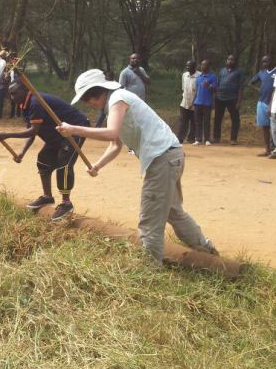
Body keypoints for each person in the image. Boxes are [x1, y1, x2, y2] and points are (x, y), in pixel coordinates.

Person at [58, 68, 219, 262]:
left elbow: (110, 133)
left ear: (93, 94)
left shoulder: (117, 99)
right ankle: (208, 252)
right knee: (173, 211)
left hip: (163, 158)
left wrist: (74, 129)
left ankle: (151, 269)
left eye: (86, 99)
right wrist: (97, 165)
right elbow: (115, 143)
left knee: (150, 220)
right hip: (170, 155)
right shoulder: (114, 103)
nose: (88, 104)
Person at [0, 81, 91, 222]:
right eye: (10, 94)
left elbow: (33, 130)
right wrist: (22, 153)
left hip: (75, 129)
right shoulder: (25, 105)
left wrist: (7, 135)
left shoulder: (35, 102)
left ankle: (66, 203)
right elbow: (32, 130)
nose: (12, 97)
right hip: (57, 135)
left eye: (15, 93)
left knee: (63, 165)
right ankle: (47, 197)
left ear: (25, 90)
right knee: (43, 160)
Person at [250, 55, 276, 156]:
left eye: (266, 61)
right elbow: (251, 83)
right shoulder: (261, 73)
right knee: (265, 127)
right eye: (263, 62)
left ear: (272, 61)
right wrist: (259, 90)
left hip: (275, 103)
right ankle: (267, 149)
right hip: (262, 102)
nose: (264, 64)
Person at [214, 54, 245, 144]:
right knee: (217, 118)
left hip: (233, 98)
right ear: (226, 60)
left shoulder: (239, 71)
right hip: (220, 98)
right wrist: (215, 96)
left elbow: (241, 87)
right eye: (228, 59)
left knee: (235, 119)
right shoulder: (222, 71)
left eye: (232, 60)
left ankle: (233, 139)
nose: (230, 61)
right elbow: (217, 84)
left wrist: (239, 102)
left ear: (235, 61)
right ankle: (216, 138)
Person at [192, 59, 217, 146]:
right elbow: (196, 90)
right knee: (198, 121)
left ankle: (207, 139)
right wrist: (193, 101)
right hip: (197, 102)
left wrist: (209, 86)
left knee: (206, 121)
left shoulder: (212, 77)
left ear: (208, 66)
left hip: (207, 103)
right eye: (202, 65)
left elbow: (215, 90)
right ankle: (198, 139)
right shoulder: (199, 77)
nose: (203, 66)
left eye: (205, 65)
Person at [177, 60, 199, 143]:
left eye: (190, 66)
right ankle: (180, 138)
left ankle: (191, 138)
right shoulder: (184, 75)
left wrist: (193, 103)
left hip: (195, 102)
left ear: (195, 67)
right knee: (183, 121)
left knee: (194, 121)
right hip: (184, 102)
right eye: (187, 66)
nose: (188, 68)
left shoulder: (199, 75)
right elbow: (183, 88)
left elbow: (199, 90)